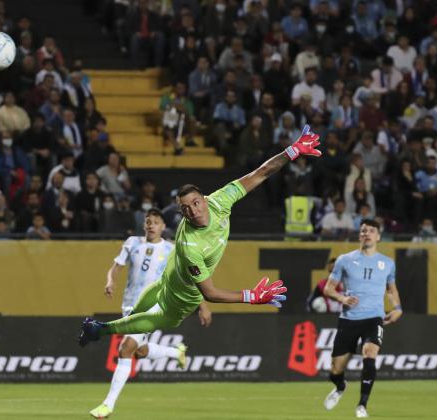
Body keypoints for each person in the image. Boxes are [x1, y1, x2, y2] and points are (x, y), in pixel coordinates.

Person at [78, 126, 322, 345]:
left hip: (170, 274)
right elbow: (210, 293)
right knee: (159, 320)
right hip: (182, 297)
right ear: (181, 214)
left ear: (204, 198)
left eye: (196, 203)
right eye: (185, 209)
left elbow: (261, 172)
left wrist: (293, 150)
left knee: (143, 309)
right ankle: (100, 330)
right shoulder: (190, 245)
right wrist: (251, 296)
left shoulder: (220, 200)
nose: (193, 211)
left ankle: (116, 326)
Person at [89, 209, 212, 419]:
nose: (151, 225)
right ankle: (176, 353)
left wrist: (203, 306)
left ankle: (107, 405)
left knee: (125, 349)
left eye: (156, 222)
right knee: (139, 351)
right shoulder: (132, 243)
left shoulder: (172, 250)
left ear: (163, 227)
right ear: (144, 225)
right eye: (148, 222)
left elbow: (191, 278)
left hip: (153, 307)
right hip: (129, 306)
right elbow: (116, 267)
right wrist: (111, 281)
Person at [322, 219, 403, 418]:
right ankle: (340, 386)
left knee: (370, 353)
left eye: (371, 231)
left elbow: (390, 289)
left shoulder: (388, 263)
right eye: (363, 230)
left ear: (378, 236)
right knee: (335, 370)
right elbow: (328, 288)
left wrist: (398, 308)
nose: (366, 233)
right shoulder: (344, 260)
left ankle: (362, 405)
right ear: (360, 235)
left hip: (374, 318)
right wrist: (343, 298)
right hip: (349, 319)